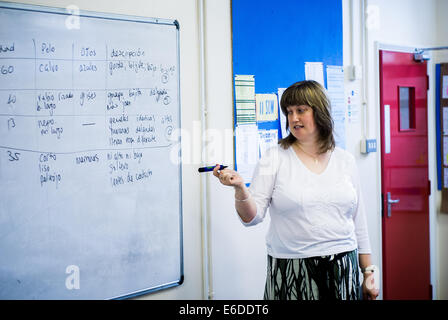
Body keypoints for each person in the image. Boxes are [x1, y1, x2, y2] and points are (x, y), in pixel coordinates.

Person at [213, 80, 379, 300]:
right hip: (292, 271)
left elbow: (359, 221)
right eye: (289, 112)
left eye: (301, 110)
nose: (293, 118)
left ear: (320, 112)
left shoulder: (345, 160)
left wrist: (368, 270)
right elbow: (251, 218)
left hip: (343, 269)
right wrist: (241, 189)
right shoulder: (275, 157)